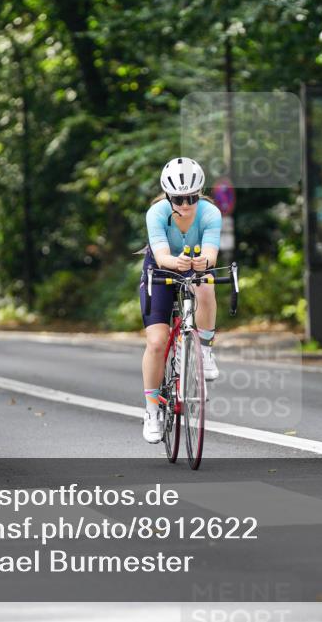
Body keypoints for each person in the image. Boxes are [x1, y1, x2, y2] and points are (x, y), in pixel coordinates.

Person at [138, 157, 222, 444]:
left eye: (191, 198)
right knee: (157, 341)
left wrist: (203, 261)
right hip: (160, 268)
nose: (184, 204)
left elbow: (212, 253)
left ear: (199, 194)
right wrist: (176, 261)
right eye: (177, 198)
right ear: (168, 195)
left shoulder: (210, 213)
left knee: (207, 288)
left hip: (194, 266)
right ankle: (152, 410)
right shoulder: (156, 213)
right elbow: (161, 256)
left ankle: (206, 349)